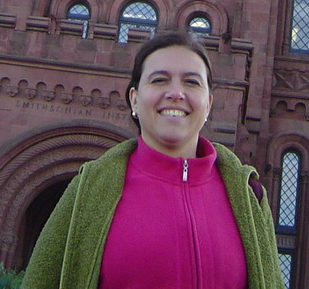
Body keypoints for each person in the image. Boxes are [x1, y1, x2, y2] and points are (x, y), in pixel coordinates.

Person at [22, 31, 283, 289]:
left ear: (209, 104)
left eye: (192, 82)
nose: (176, 93)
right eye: (159, 80)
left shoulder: (248, 196)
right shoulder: (87, 192)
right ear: (134, 99)